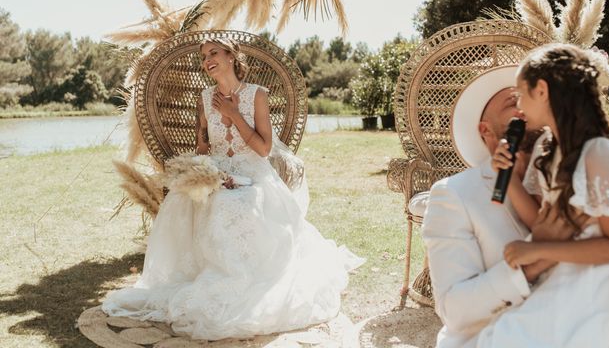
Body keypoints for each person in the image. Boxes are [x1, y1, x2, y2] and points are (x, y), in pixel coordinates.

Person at [102, 37, 363, 341]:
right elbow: (203, 146)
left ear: (231, 56)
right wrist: (209, 170)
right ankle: (206, 272)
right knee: (189, 199)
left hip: (255, 173)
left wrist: (234, 114)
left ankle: (241, 278)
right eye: (204, 57)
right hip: (219, 173)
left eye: (213, 53)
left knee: (238, 202)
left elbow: (265, 149)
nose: (207, 60)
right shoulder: (204, 98)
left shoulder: (257, 96)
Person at [475, 43, 609, 347]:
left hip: (601, 274)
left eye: (520, 94)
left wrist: (538, 251)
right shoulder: (546, 147)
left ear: (541, 90)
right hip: (563, 268)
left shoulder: (600, 152)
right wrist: (507, 177)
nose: (519, 107)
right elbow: (542, 220)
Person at [416, 65, 565, 348]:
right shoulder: (453, 194)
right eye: (513, 102)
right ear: (486, 130)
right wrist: (533, 266)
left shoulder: (563, 174)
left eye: (528, 100)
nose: (525, 108)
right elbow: (454, 310)